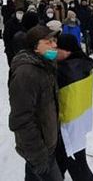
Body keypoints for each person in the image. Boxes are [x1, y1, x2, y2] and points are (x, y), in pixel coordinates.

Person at [8, 25, 62, 181]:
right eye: (48, 42)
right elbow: (21, 120)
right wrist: (38, 156)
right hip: (39, 151)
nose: (54, 45)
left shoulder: (44, 64)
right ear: (35, 47)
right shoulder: (26, 74)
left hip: (46, 145)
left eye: (54, 40)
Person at [55, 34, 93, 181]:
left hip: (67, 123)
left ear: (66, 50)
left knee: (74, 161)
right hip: (82, 117)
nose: (55, 51)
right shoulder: (84, 62)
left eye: (58, 48)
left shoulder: (66, 70)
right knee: (69, 157)